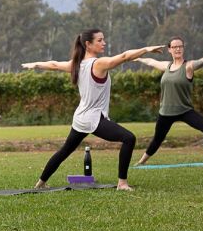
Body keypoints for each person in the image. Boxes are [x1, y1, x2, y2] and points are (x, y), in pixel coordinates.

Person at [22, 29, 163, 191]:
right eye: (100, 40)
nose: (104, 43)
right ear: (88, 44)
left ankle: (41, 183)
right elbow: (124, 57)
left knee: (65, 150)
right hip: (93, 118)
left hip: (81, 117)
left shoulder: (76, 64)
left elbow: (54, 64)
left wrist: (36, 64)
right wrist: (146, 49)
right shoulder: (98, 64)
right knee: (129, 138)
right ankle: (122, 183)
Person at [135, 37, 203, 166]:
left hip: (184, 110)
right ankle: (141, 162)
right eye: (175, 47)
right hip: (166, 111)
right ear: (169, 49)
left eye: (180, 46)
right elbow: (150, 61)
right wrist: (137, 57)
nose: (178, 49)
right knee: (157, 139)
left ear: (183, 48)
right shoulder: (167, 66)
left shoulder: (188, 66)